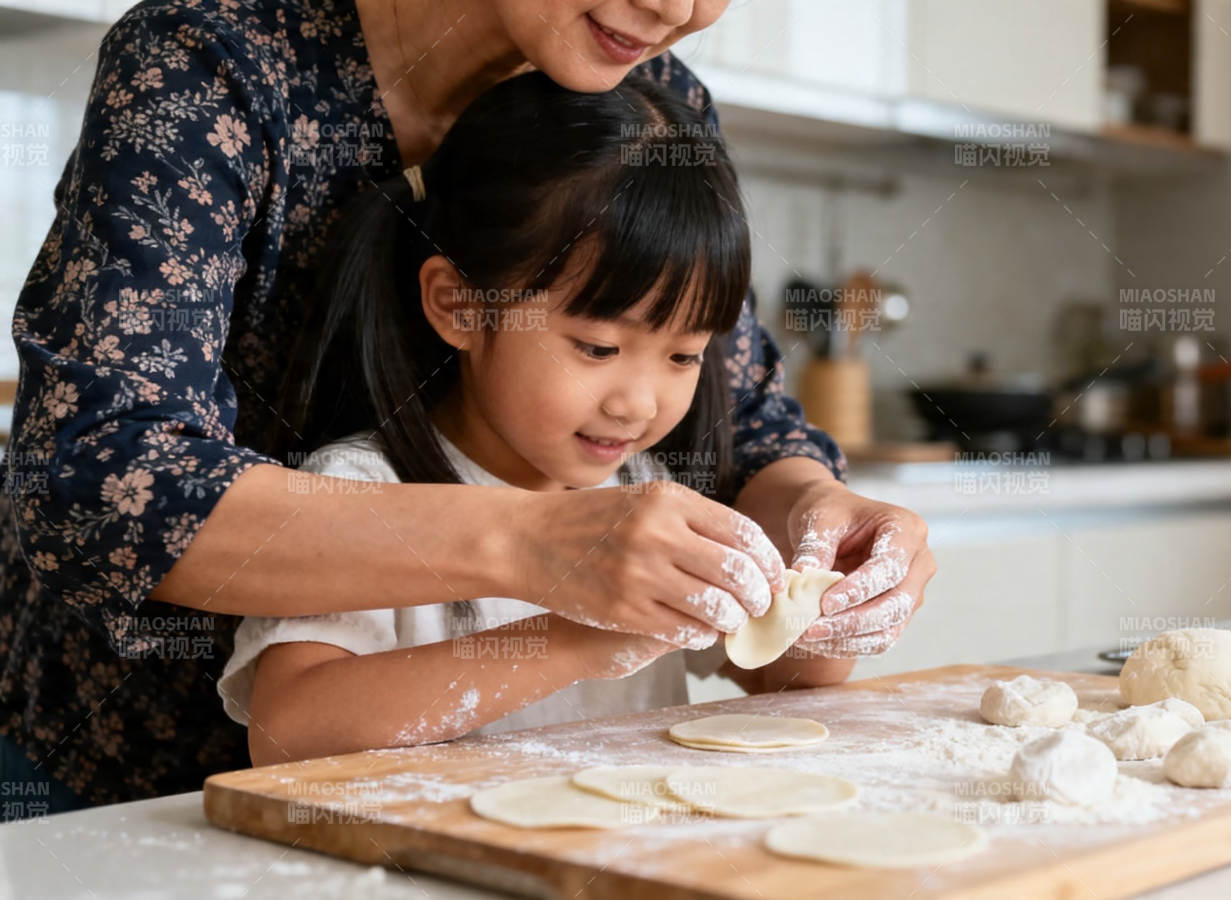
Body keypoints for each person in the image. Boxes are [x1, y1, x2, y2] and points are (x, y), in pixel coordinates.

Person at [1, 0, 933, 812]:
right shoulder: (217, 64)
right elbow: (103, 484)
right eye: (597, 347)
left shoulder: (651, 101)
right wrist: (540, 555)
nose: (677, 7)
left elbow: (749, 440)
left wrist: (824, 535)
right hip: (122, 784)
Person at [218, 70, 855, 763]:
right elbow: (288, 732)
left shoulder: (648, 492)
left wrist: (825, 613)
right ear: (462, 307)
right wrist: (586, 637)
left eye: (684, 356)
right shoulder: (363, 490)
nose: (637, 404)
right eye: (598, 347)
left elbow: (777, 675)